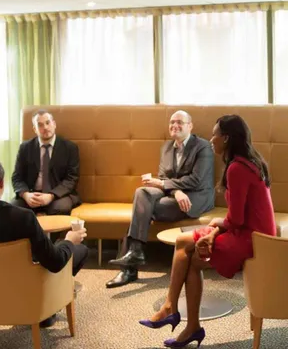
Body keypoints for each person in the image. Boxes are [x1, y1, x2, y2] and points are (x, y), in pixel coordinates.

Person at [138, 114, 276, 349]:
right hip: (254, 232)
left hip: (252, 237)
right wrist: (216, 228)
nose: (211, 140)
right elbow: (239, 216)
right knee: (188, 251)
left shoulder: (237, 168)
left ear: (227, 138)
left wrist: (216, 226)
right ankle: (183, 319)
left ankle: (174, 311)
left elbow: (237, 219)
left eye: (215, 135)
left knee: (187, 249)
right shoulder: (249, 161)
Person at [106, 110, 215, 289]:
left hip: (197, 196)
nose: (175, 125)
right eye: (172, 122)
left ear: (190, 126)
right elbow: (164, 176)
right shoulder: (166, 147)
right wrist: (176, 191)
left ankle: (129, 268)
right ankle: (135, 252)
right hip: (174, 194)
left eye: (180, 122)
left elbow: (196, 180)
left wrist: (167, 186)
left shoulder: (203, 147)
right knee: (142, 193)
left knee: (142, 210)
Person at [0, 162, 88, 328]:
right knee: (79, 250)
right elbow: (55, 262)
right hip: (24, 289)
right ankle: (45, 309)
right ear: (2, 184)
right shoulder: (23, 218)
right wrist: (70, 240)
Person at [11, 110, 81, 215]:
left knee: (59, 208)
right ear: (35, 129)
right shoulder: (25, 148)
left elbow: (72, 178)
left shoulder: (70, 148)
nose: (45, 127)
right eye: (40, 125)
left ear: (54, 124)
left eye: (48, 123)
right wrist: (25, 195)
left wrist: (51, 196)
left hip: (58, 195)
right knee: (13, 208)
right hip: (32, 194)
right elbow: (17, 177)